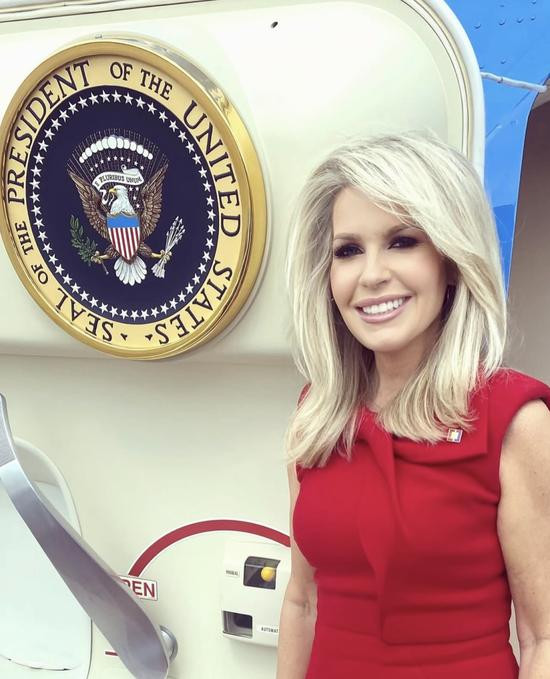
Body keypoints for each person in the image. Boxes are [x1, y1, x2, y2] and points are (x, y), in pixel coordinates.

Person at [276, 131, 550, 679]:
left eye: (402, 241)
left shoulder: (515, 421)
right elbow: (302, 601)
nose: (372, 274)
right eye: (348, 250)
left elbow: (542, 635)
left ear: (451, 260)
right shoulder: (317, 413)